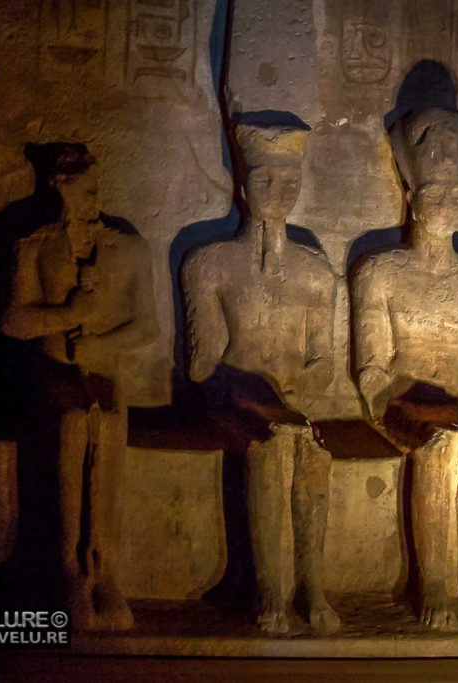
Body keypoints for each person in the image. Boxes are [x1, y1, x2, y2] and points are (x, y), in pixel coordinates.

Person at [351, 108, 458, 633]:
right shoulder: (379, 271)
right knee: (442, 450)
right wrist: (393, 401)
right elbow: (371, 367)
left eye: (455, 197)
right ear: (412, 197)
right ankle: (436, 584)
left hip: (452, 409)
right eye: (435, 195)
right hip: (398, 401)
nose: (445, 207)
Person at [181, 119, 341, 635]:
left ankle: (312, 586)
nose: (278, 193)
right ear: (243, 186)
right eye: (267, 180)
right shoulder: (209, 262)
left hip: (290, 403)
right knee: (275, 447)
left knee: (310, 453)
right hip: (234, 397)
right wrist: (251, 387)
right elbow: (203, 362)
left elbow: (324, 361)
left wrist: (297, 386)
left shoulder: (315, 269)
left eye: (290, 182)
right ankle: (273, 593)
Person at [0, 142, 157, 630]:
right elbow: (13, 320)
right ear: (56, 189)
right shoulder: (35, 244)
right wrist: (66, 316)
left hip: (101, 369)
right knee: (71, 425)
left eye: (91, 191)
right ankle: (67, 564)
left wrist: (100, 345)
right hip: (52, 374)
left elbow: (147, 327)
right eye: (75, 192)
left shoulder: (126, 247)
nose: (86, 202)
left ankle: (102, 561)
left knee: (105, 426)